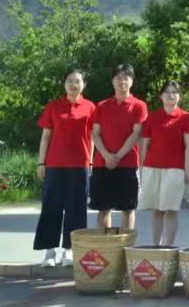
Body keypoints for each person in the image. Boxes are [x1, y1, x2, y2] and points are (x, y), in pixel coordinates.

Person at [34, 69, 96, 267]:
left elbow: (92, 137)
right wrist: (41, 162)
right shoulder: (53, 106)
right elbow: (45, 136)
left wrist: (90, 162)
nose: (73, 85)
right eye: (69, 81)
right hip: (54, 165)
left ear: (84, 85)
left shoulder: (90, 107)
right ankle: (50, 251)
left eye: (77, 81)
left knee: (76, 209)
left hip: (79, 165)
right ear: (64, 84)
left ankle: (69, 251)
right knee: (51, 208)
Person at [90, 64, 148, 230]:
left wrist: (117, 156)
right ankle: (105, 244)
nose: (122, 81)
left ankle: (125, 244)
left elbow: (136, 133)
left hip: (128, 164)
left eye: (126, 77)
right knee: (103, 209)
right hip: (102, 164)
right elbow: (95, 134)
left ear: (132, 81)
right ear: (112, 81)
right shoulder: (101, 106)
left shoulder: (139, 105)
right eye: (118, 77)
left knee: (128, 209)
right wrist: (107, 156)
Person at [138, 81, 189, 246]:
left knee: (171, 209)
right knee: (156, 210)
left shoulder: (186, 117)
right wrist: (142, 168)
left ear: (179, 96)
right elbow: (145, 145)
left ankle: (168, 247)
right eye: (167, 92)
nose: (170, 95)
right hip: (152, 167)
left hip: (175, 169)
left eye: (174, 92)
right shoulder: (152, 117)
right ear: (161, 96)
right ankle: (155, 246)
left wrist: (187, 170)